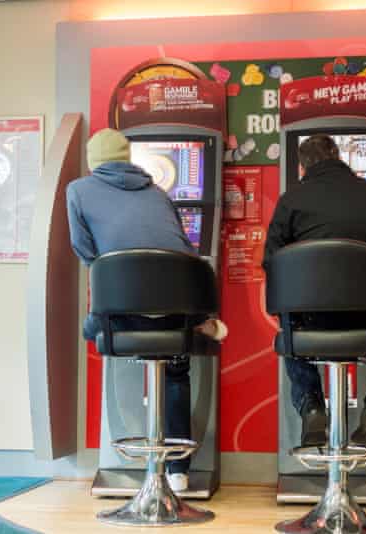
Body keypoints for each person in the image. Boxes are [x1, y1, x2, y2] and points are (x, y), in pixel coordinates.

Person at [66, 128, 227, 492]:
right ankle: (177, 471)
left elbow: (85, 250)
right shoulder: (157, 191)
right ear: (127, 159)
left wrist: (121, 280)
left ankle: (145, 465)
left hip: (123, 307)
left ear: (94, 163)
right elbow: (185, 247)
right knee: (175, 368)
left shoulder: (78, 190)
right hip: (179, 301)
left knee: (92, 331)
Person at [263, 134, 366, 449]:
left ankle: (311, 405)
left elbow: (273, 263)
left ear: (302, 167)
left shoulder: (291, 200)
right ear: (339, 156)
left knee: (290, 320)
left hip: (313, 327)